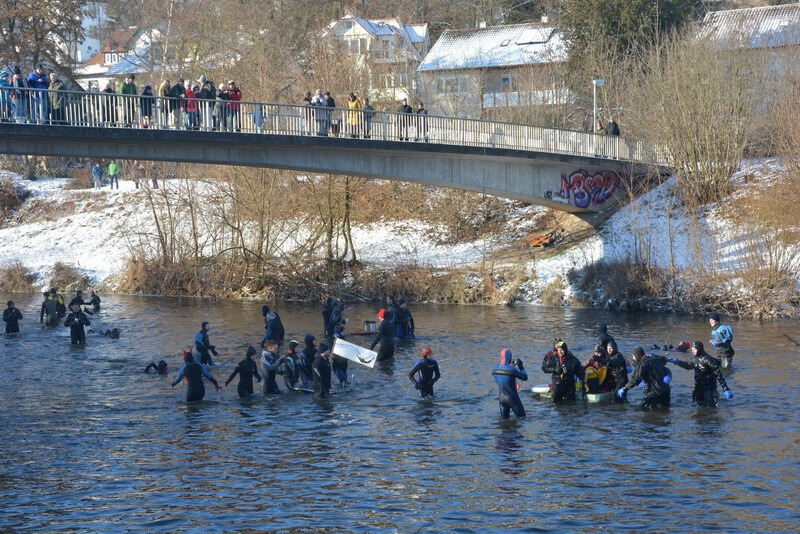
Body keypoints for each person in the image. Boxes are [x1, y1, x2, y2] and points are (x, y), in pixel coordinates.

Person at [668, 341, 733, 407]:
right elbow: (688, 366)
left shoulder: (708, 360)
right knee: (698, 407)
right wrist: (677, 361)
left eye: (694, 349)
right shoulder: (694, 359)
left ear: (699, 349)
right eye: (692, 349)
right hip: (698, 387)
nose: (692, 351)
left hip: (709, 389)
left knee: (710, 409)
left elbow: (718, 375)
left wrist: (726, 389)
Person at [492, 348, 527, 418]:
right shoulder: (512, 369)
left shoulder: (494, 369)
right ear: (509, 357)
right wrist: (521, 366)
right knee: (522, 418)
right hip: (512, 399)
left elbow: (505, 374)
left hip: (501, 399)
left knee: (504, 421)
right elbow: (525, 377)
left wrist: (510, 366)